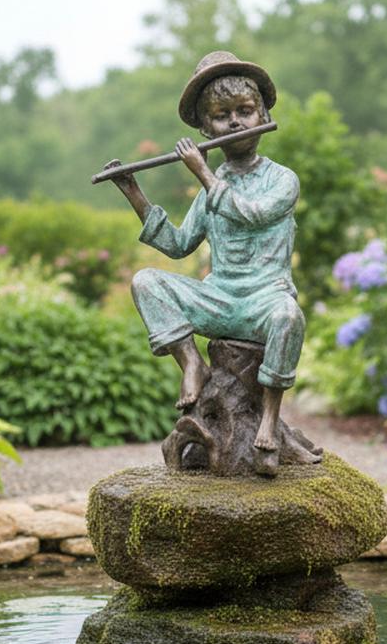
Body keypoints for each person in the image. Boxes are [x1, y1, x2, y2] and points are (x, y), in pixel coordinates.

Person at [105, 50, 304, 460]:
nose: (235, 122)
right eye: (221, 115)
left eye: (245, 111)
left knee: (289, 317)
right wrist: (133, 192)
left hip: (265, 300)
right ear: (206, 128)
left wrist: (203, 173)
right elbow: (178, 245)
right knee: (147, 281)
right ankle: (192, 363)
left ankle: (269, 419)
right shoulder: (211, 187)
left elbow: (252, 214)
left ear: (264, 116)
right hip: (222, 300)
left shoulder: (282, 180)